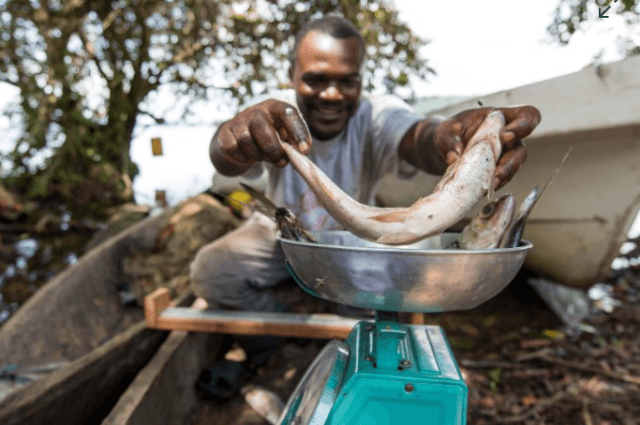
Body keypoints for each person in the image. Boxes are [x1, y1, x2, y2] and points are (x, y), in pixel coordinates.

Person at [190, 15, 540, 397]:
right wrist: (228, 141)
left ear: (361, 79)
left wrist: (449, 135)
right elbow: (225, 157)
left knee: (370, 312)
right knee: (211, 271)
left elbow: (420, 136)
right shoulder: (272, 114)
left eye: (347, 81)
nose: (332, 94)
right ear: (292, 76)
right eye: (316, 79)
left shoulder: (377, 113)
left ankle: (346, 351)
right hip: (280, 234)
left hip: (354, 245)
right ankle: (278, 337)